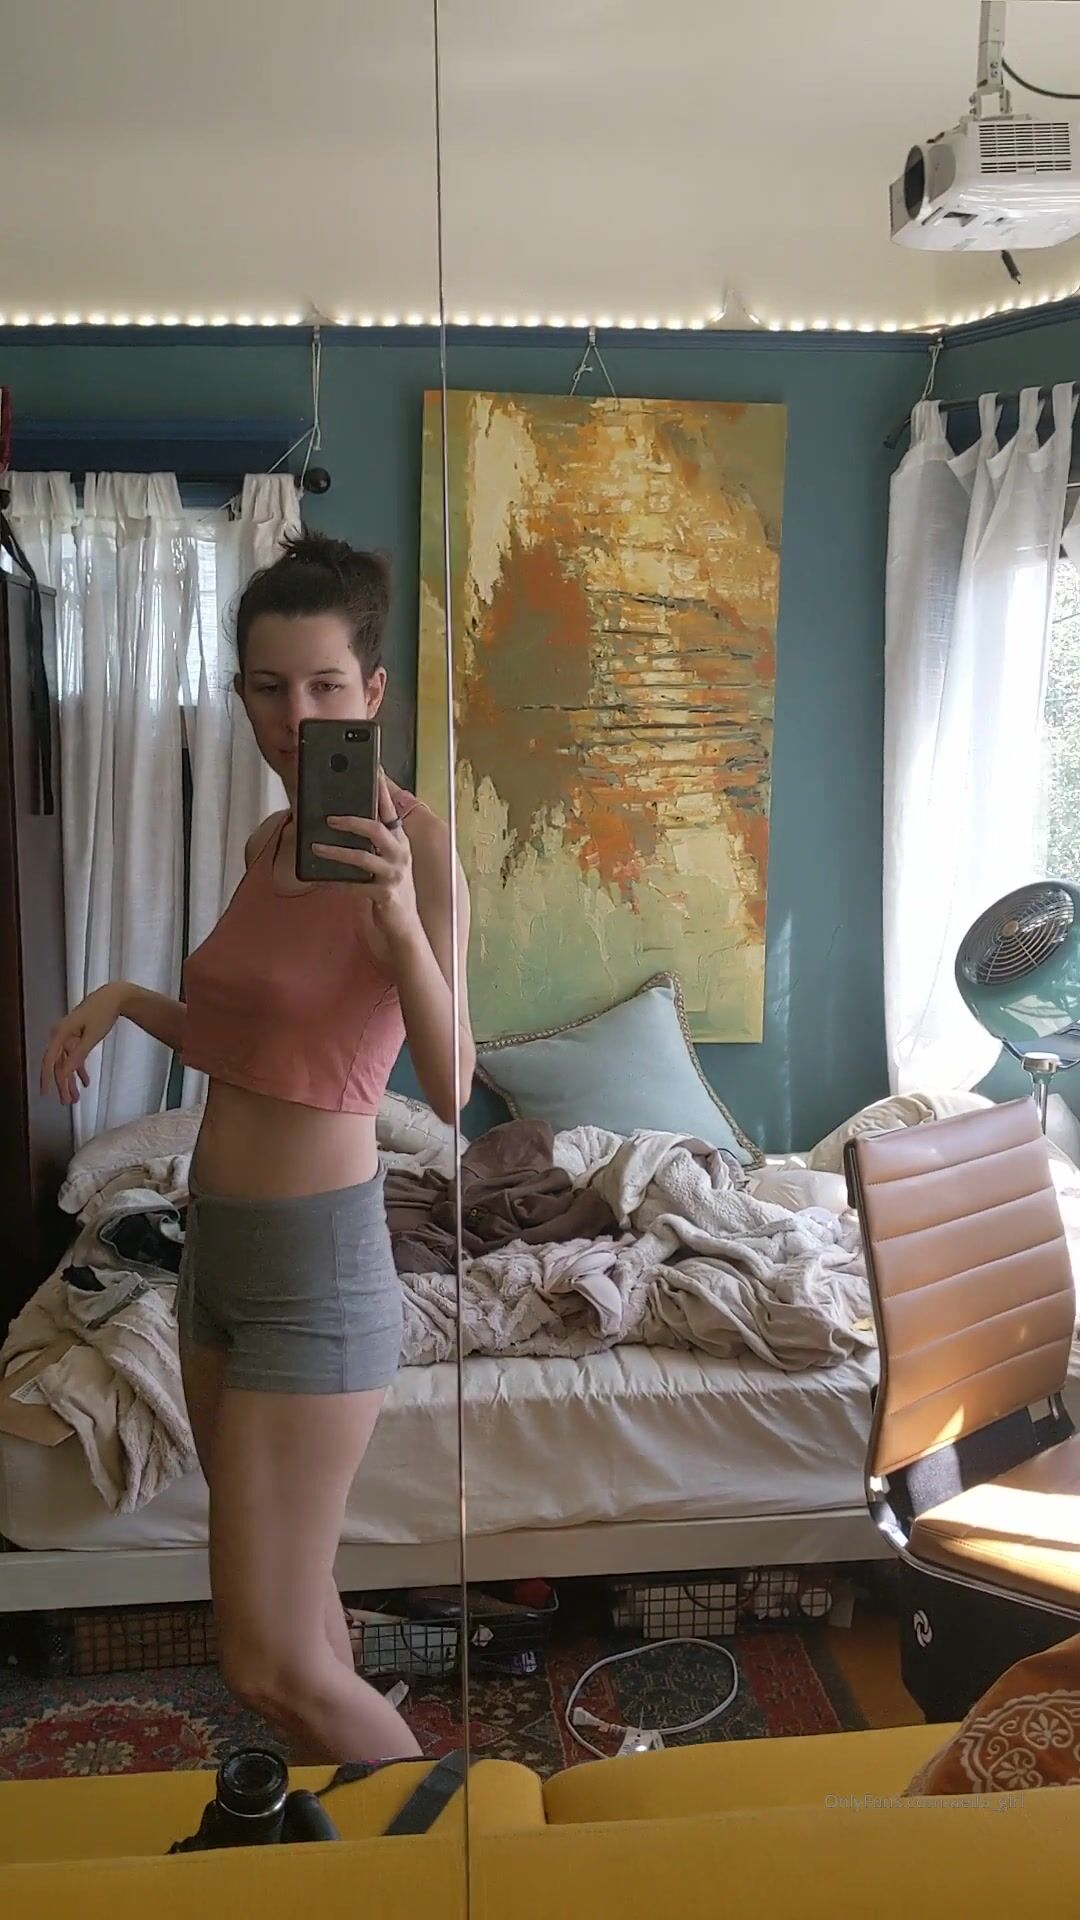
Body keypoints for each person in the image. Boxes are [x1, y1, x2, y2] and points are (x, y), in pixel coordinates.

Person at [41, 531, 474, 1763]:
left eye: (326, 686)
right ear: (239, 695)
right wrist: (127, 998)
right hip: (214, 1258)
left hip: (315, 1272)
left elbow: (452, 1085)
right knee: (301, 1616)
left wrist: (399, 929)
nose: (297, 717)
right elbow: (253, 1047)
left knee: (264, 1659)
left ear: (371, 692)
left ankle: (449, 1836)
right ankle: (355, 1840)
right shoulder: (265, 848)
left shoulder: (420, 851)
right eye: (270, 688)